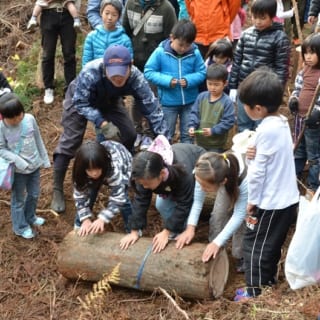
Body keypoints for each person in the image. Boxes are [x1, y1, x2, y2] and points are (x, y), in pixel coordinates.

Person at [50, 44, 168, 214]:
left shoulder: (136, 77)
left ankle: (124, 173)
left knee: (129, 134)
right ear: (105, 68)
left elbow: (152, 108)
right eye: (113, 76)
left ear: (130, 65)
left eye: (121, 75)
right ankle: (57, 189)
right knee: (71, 141)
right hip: (81, 99)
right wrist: (102, 122)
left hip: (110, 100)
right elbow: (81, 103)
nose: (118, 79)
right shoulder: (91, 71)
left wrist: (163, 139)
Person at [233, 68, 299, 301]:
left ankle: (254, 291)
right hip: (287, 199)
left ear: (258, 108)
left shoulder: (264, 131)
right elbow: (274, 156)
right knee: (270, 244)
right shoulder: (280, 122)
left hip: (270, 201)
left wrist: (252, 200)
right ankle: (267, 282)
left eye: (246, 106)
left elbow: (259, 172)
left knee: (255, 245)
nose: (245, 109)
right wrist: (254, 153)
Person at [119, 137, 206, 253]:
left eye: (147, 184)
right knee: (161, 205)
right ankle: (176, 230)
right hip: (171, 179)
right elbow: (141, 200)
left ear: (162, 174)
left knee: (180, 203)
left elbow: (185, 202)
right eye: (142, 184)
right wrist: (134, 230)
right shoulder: (144, 172)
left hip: (198, 165)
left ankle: (182, 230)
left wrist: (166, 231)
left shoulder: (183, 172)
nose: (144, 187)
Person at [175, 151, 247, 273]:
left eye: (206, 187)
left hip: (249, 184)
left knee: (243, 221)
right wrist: (190, 227)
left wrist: (218, 242)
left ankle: (239, 255)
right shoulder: (203, 169)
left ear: (222, 183)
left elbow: (239, 214)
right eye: (200, 184)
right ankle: (215, 249)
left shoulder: (244, 180)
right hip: (226, 179)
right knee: (217, 215)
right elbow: (197, 201)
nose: (202, 189)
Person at [122, 0, 177, 150]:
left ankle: (150, 132)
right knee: (135, 98)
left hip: (155, 64)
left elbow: (171, 38)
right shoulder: (130, 4)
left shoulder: (166, 8)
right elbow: (125, 31)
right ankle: (136, 130)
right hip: (135, 61)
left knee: (151, 98)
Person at [229, 0, 290, 133]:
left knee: (261, 127)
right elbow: (237, 61)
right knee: (243, 126)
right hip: (244, 87)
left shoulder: (280, 38)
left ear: (272, 16)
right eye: (255, 17)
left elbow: (282, 69)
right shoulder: (246, 35)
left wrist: (276, 93)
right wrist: (232, 86)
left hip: (264, 91)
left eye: (262, 18)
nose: (258, 21)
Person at [144, 19, 206, 143]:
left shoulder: (195, 53)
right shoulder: (160, 52)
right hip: (168, 102)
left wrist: (189, 80)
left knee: (188, 134)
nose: (183, 49)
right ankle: (167, 158)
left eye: (187, 45)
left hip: (190, 101)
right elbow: (148, 71)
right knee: (167, 133)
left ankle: (186, 157)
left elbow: (202, 72)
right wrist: (167, 81)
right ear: (172, 38)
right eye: (180, 44)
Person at [0, 94, 50, 239]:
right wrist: (18, 161)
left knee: (34, 194)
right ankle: (20, 227)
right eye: (12, 118)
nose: (17, 119)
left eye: (19, 115)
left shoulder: (29, 119)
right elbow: (1, 149)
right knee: (18, 199)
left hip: (34, 166)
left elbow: (38, 139)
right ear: (3, 117)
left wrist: (44, 158)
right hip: (18, 171)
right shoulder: (2, 128)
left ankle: (30, 217)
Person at [73, 140, 132, 236]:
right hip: (103, 171)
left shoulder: (114, 168)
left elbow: (118, 197)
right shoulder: (80, 172)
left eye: (97, 168)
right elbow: (80, 196)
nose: (94, 173)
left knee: (124, 200)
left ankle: (131, 228)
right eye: (89, 170)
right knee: (90, 193)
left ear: (103, 165)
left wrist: (103, 218)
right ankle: (80, 224)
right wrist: (85, 218)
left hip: (122, 162)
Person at [288, 33, 320, 192]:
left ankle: (313, 186)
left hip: (314, 123)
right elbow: (298, 88)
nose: (307, 57)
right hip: (300, 119)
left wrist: (317, 112)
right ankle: (293, 178)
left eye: (312, 53)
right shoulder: (304, 70)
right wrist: (293, 100)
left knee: (314, 155)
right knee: (298, 150)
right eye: (306, 52)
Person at [32, 0, 78, 104]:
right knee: (47, 54)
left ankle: (70, 89)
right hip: (48, 14)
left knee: (69, 54)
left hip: (69, 15)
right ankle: (48, 88)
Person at [188, 64, 235, 152]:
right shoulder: (201, 97)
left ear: (225, 83)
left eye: (216, 85)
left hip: (217, 143)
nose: (212, 87)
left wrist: (214, 130)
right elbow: (194, 113)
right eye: (209, 84)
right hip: (200, 141)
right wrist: (192, 126)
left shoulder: (227, 102)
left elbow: (229, 121)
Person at [82, 0, 133, 67]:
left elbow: (128, 64)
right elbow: (86, 63)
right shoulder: (91, 37)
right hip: (96, 74)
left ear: (119, 16)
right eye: (107, 13)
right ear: (101, 13)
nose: (109, 18)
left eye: (114, 15)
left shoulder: (125, 39)